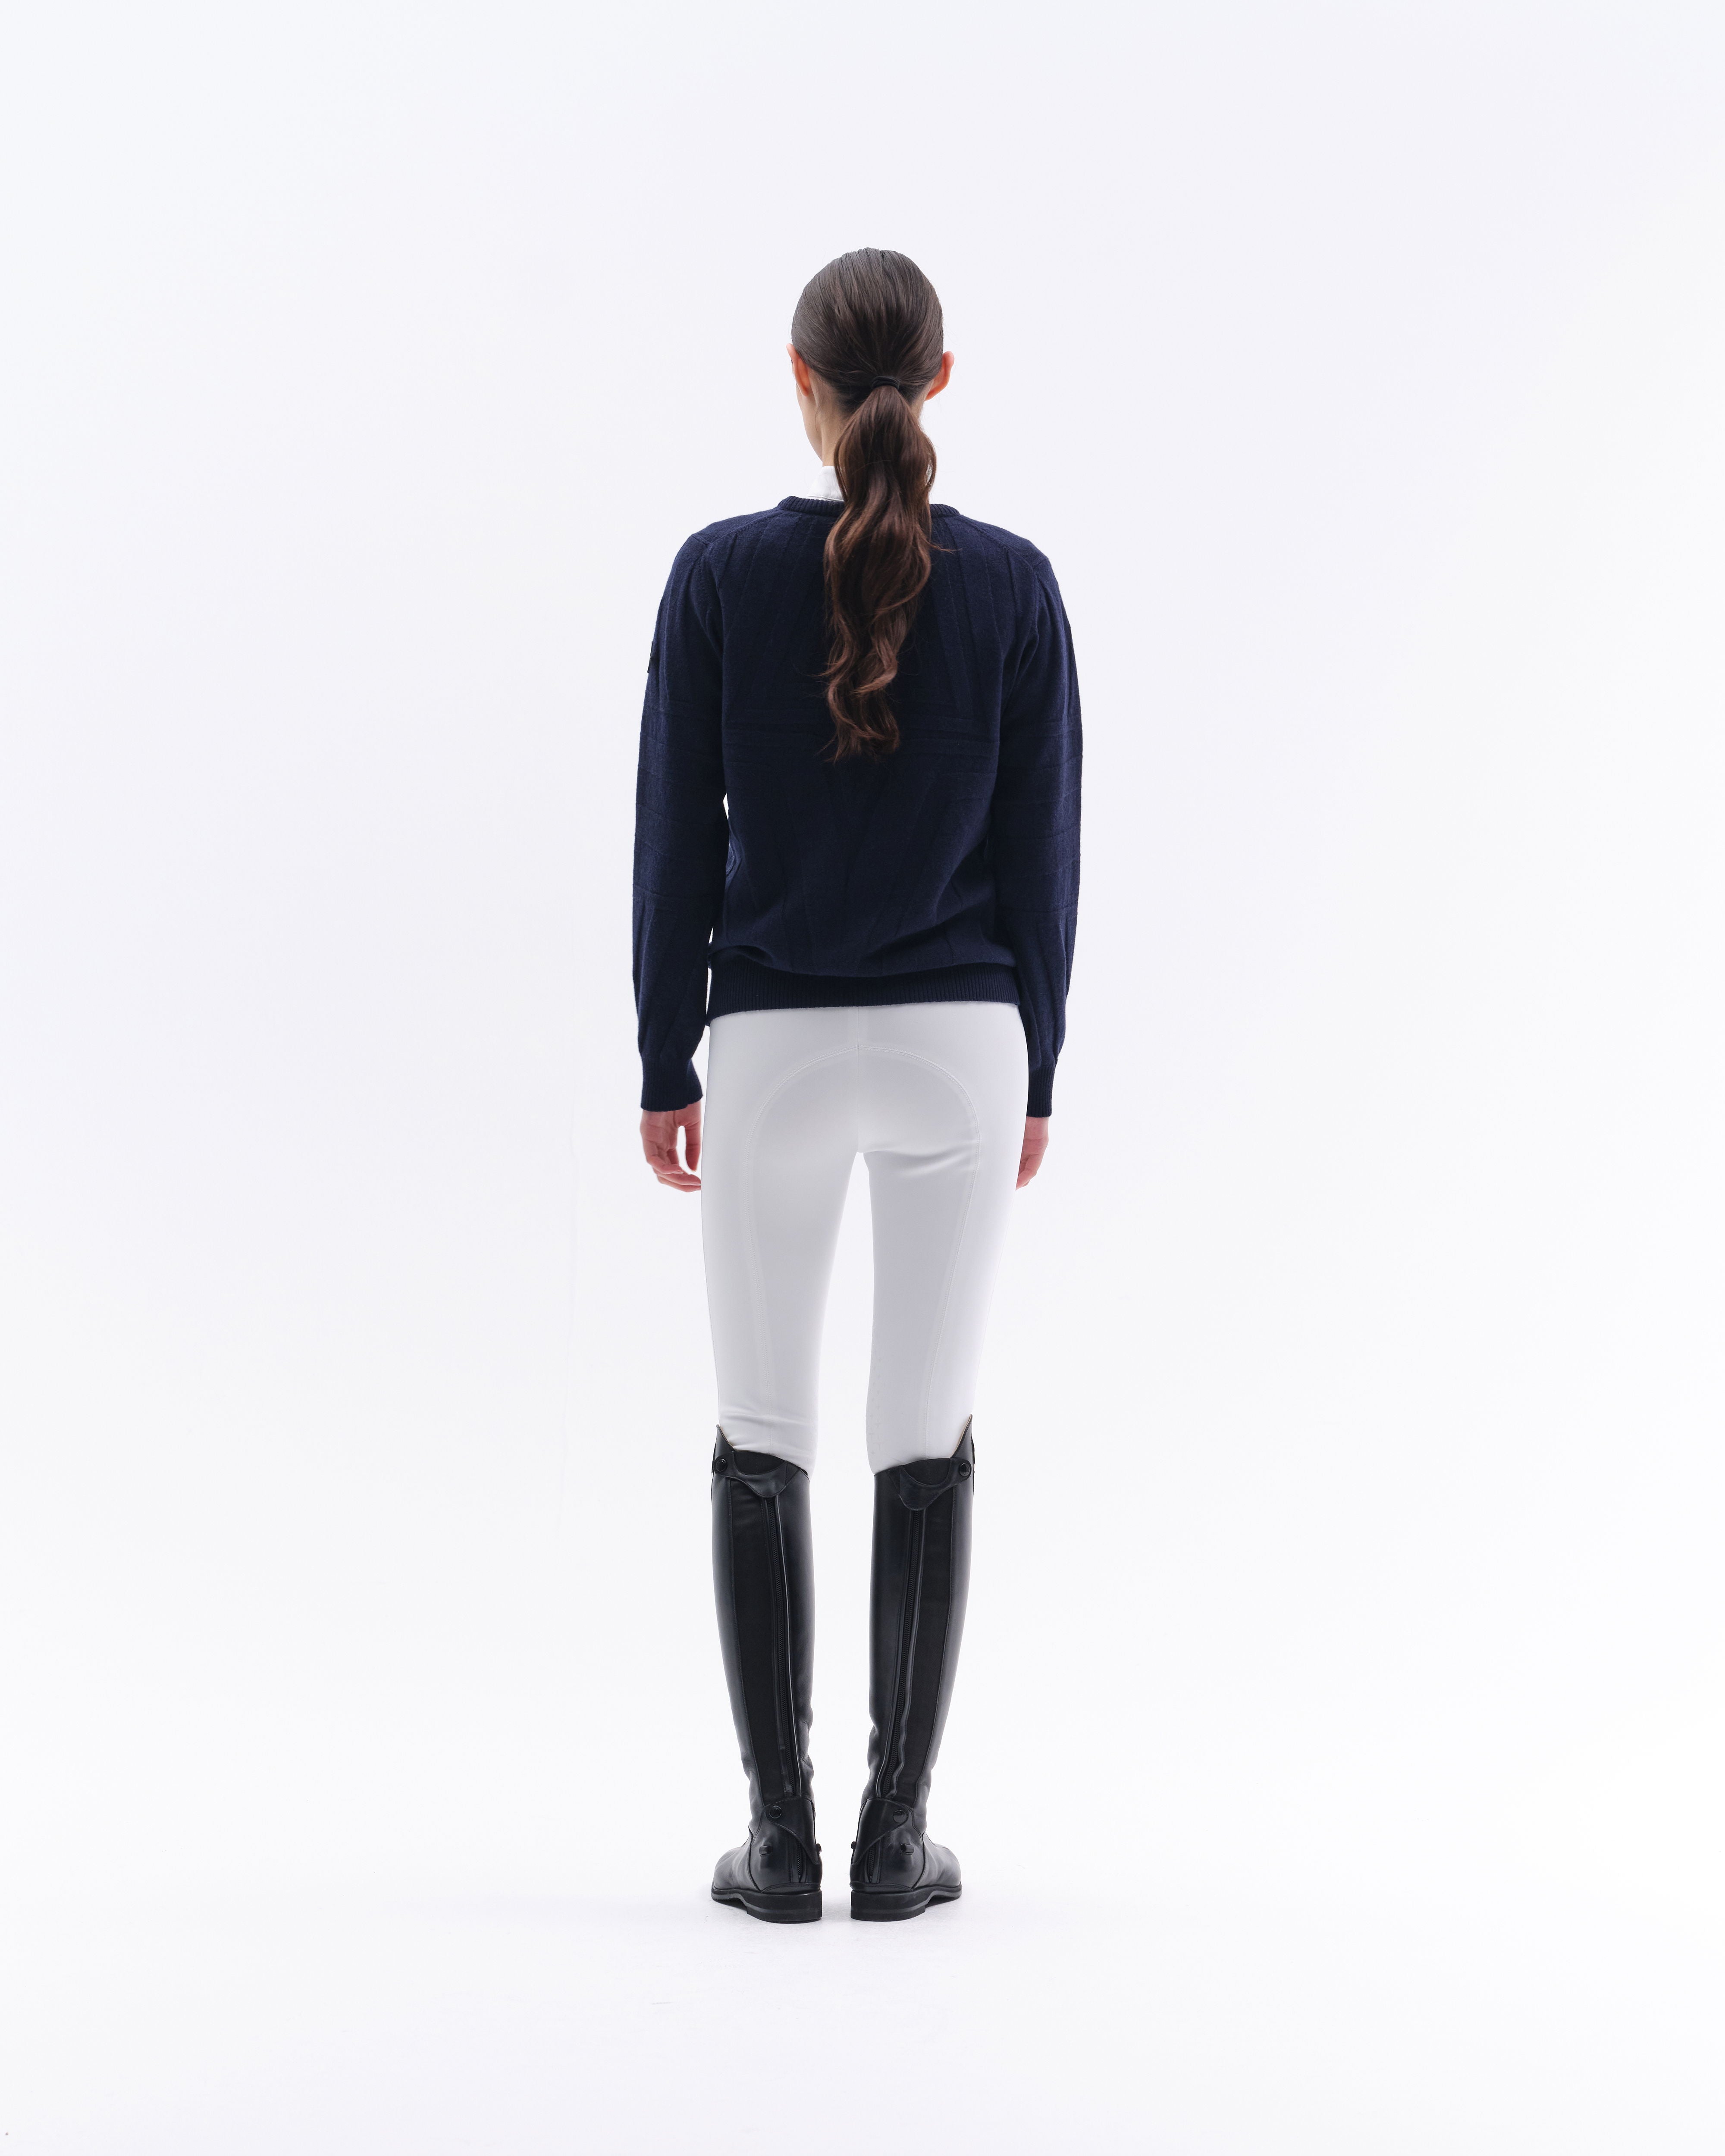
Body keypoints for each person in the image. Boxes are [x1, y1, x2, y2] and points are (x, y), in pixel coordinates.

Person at [632, 248, 1081, 1922]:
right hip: (965, 1045)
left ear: (799, 378)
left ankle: (780, 1840)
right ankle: (896, 1841)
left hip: (767, 1046)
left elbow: (674, 834)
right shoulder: (1016, 587)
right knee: (922, 1426)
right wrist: (1041, 1061)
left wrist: (661, 1053)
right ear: (940, 380)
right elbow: (1044, 851)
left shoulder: (717, 576)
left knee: (762, 1428)